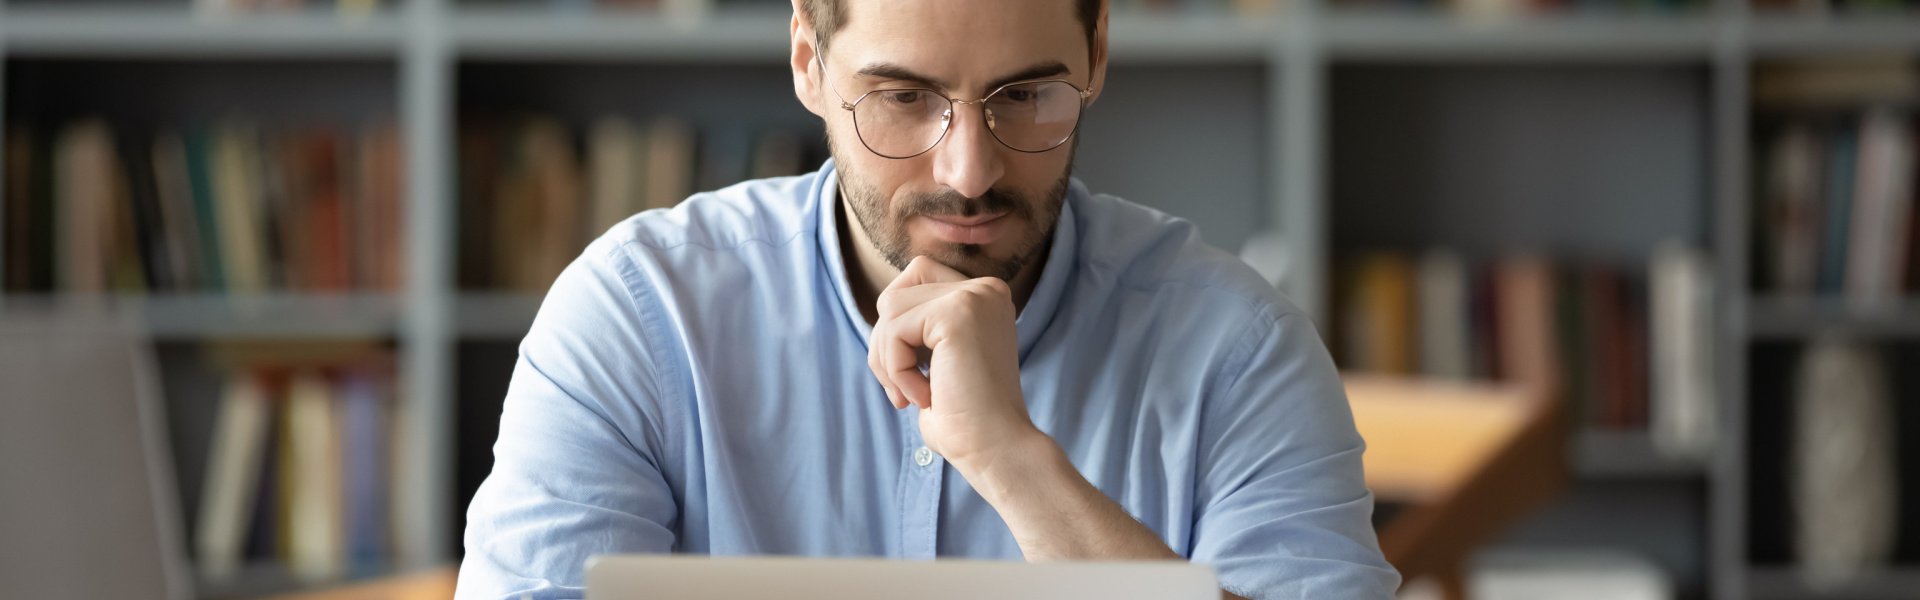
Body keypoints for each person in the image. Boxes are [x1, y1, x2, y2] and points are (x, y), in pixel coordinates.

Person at [455, 0, 1401, 598]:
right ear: (807, 61)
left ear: (1098, 50)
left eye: (1026, 94)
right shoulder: (638, 319)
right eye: (902, 99)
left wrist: (1013, 463)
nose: (970, 169)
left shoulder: (1239, 350)